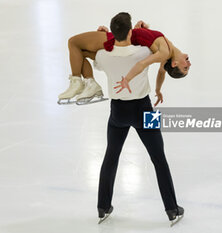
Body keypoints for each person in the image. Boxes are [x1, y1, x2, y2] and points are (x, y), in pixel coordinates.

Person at [93, 12, 184, 226]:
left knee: (111, 157)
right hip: (144, 108)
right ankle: (172, 209)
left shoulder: (102, 55)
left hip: (117, 111)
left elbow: (100, 54)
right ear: (131, 31)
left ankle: (102, 207)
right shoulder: (142, 51)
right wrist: (145, 29)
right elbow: (157, 48)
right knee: (159, 159)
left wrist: (105, 37)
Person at [57, 12, 191, 105]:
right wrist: (158, 90)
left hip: (119, 38)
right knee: (82, 54)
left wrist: (127, 79)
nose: (189, 64)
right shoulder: (168, 51)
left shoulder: (164, 53)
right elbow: (162, 72)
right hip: (124, 36)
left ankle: (77, 82)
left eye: (185, 67)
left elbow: (142, 64)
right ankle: (90, 83)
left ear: (174, 64)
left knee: (73, 43)